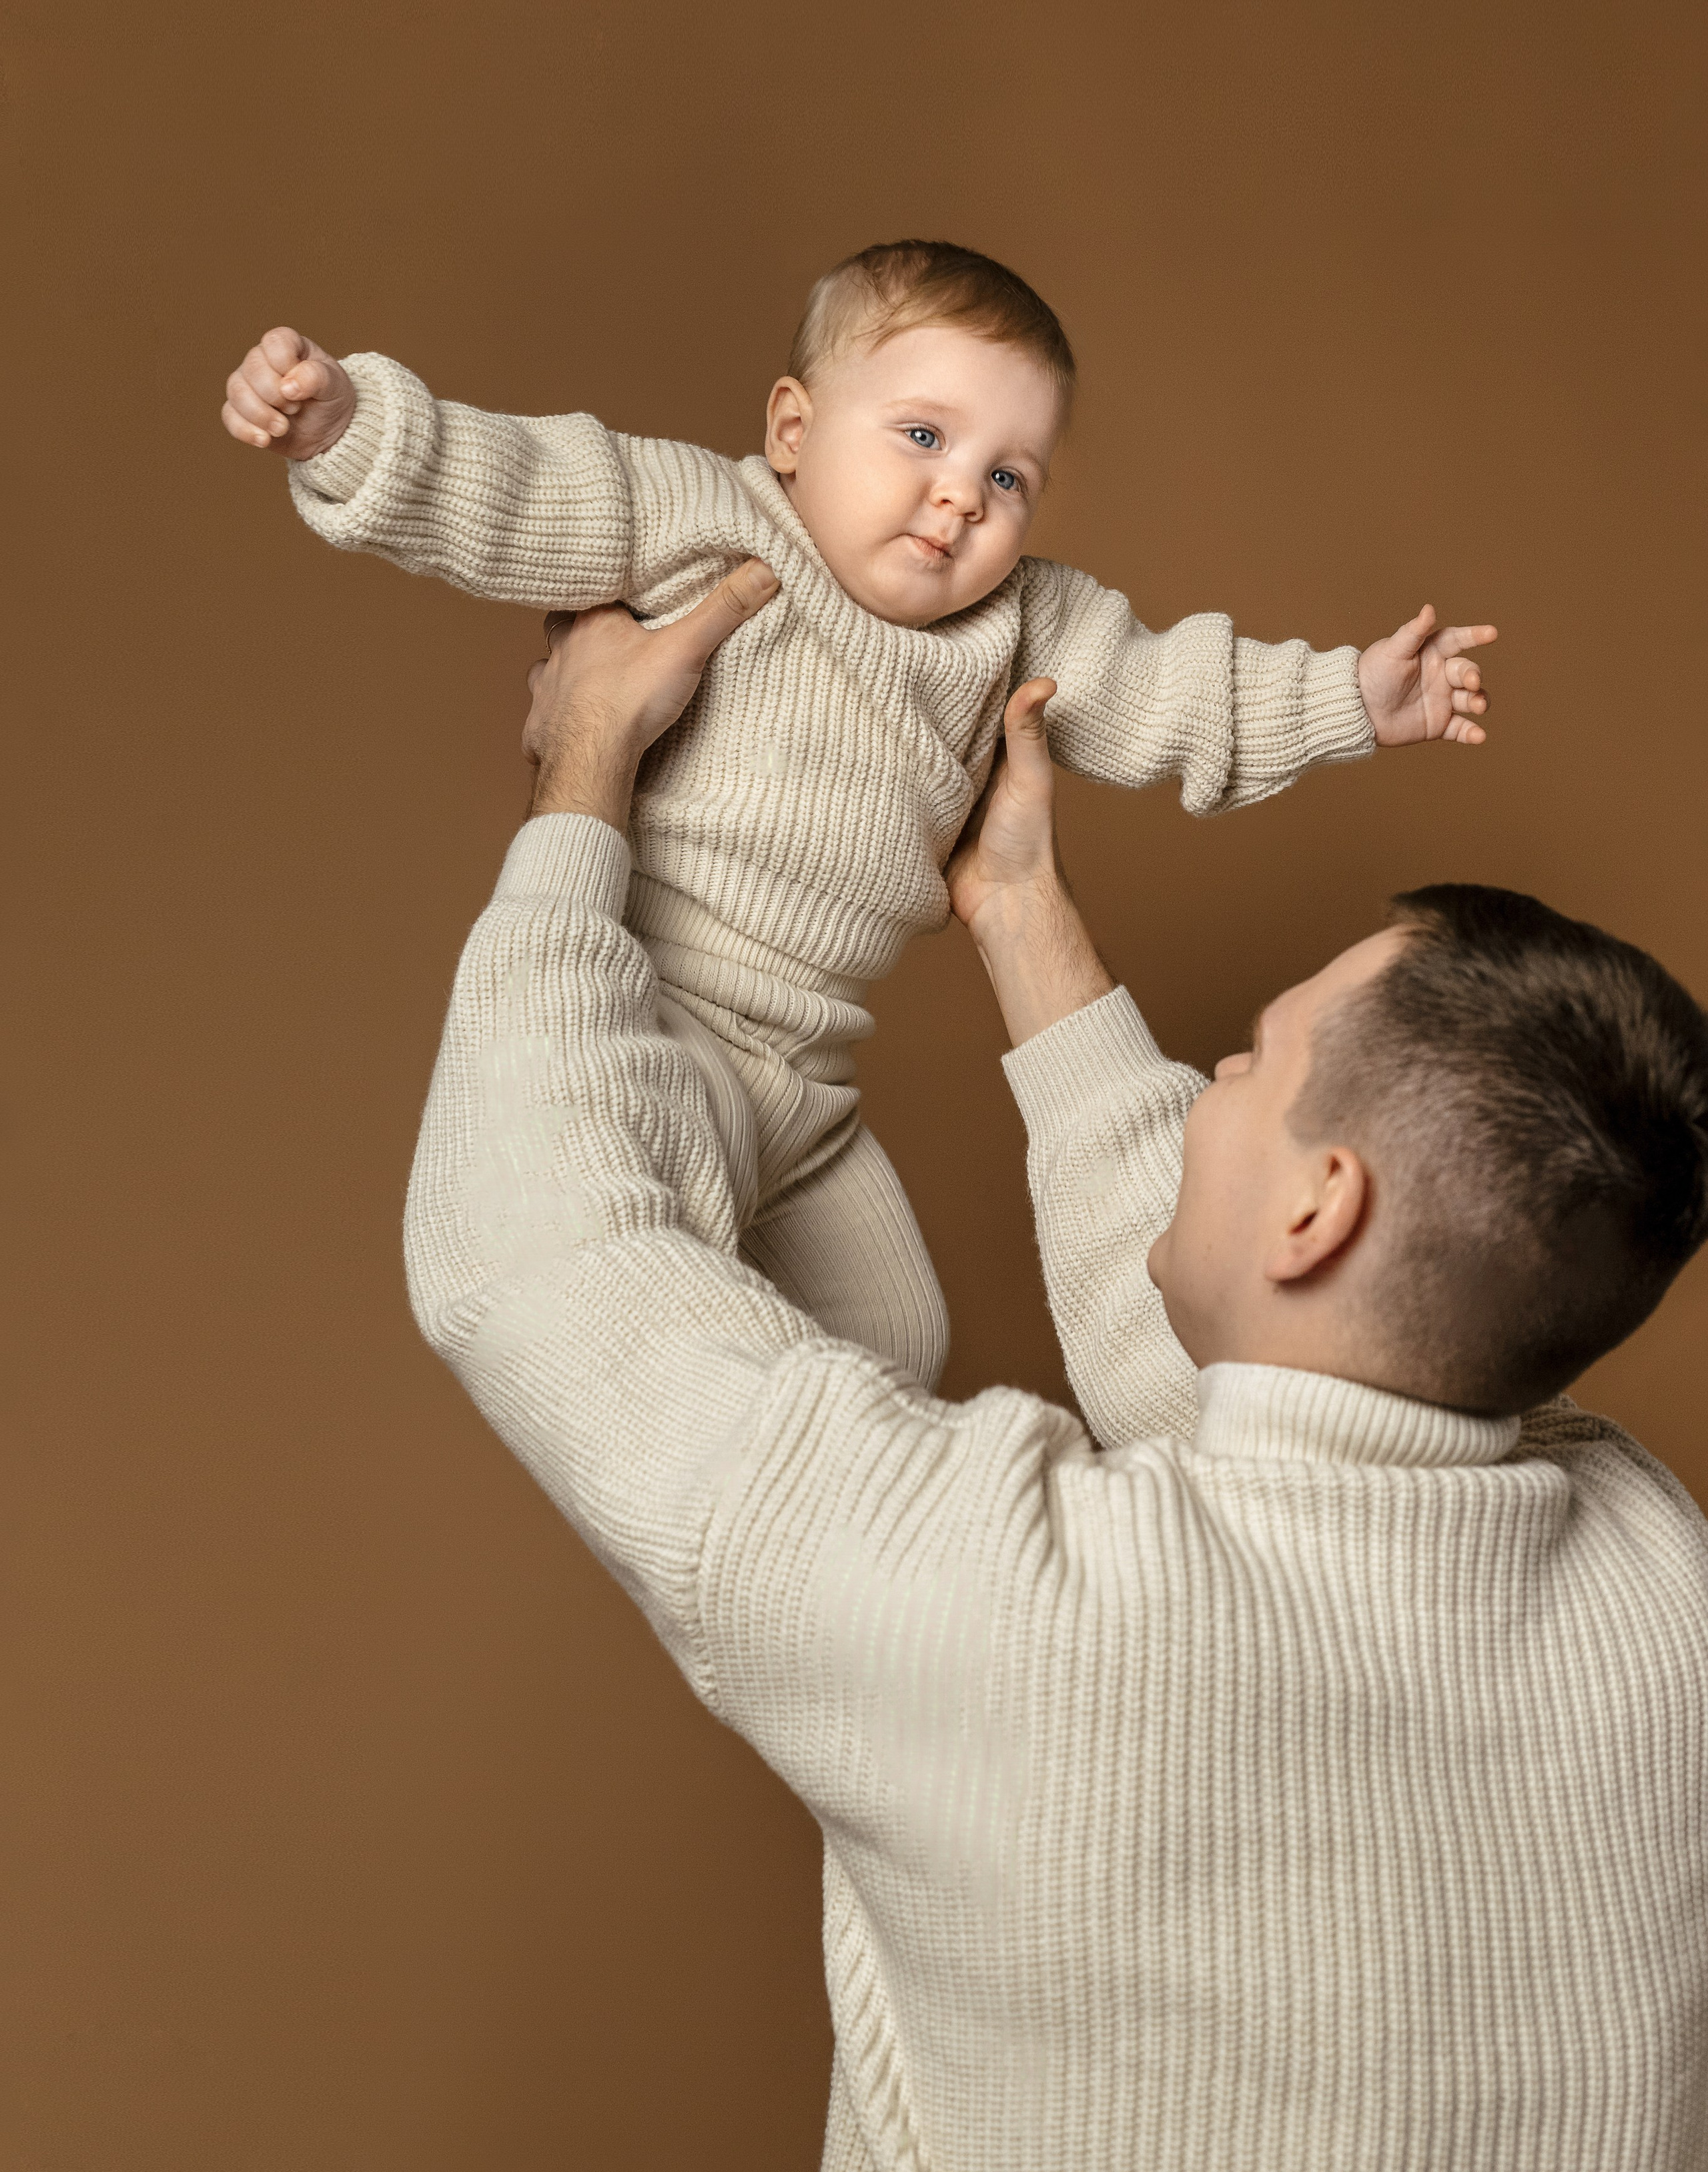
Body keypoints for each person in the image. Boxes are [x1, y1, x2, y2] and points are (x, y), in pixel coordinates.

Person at [404, 561, 1708, 2172]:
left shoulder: (1005, 1607)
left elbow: (536, 1260)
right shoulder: (1658, 1581)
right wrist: (1019, 909)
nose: (1213, 1074)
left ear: (1318, 1205)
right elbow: (1295, 1428)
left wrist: (578, 789)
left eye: (1251, 1055)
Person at [222, 240, 1494, 1391]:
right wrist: (349, 428)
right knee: (659, 1264)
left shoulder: (1020, 626)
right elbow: (517, 486)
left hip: (814, 1074)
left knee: (898, 1339)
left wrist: (1350, 697)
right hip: (668, 1018)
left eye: (1010, 476)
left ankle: (816, 1583)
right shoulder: (707, 521)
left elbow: (1178, 691)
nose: (961, 500)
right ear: (793, 427)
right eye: (924, 439)